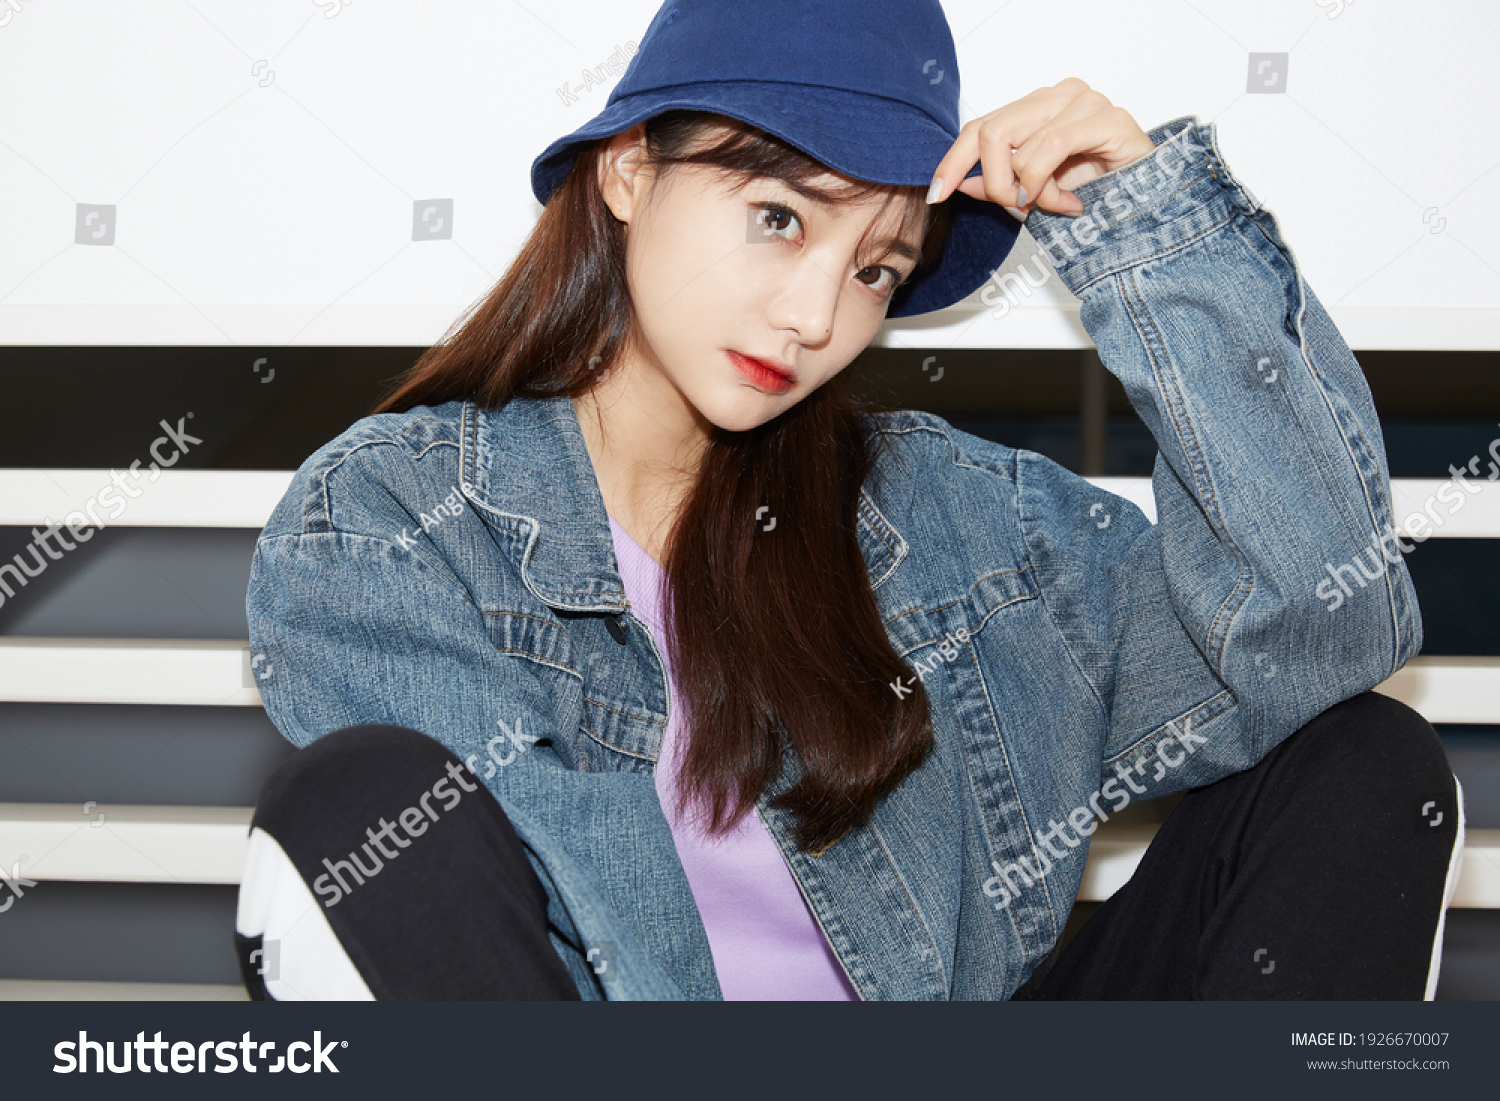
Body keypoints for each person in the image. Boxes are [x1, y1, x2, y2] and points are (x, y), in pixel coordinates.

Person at [233, 0, 1466, 1001]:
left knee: (1361, 761)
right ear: (626, 173)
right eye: (778, 219)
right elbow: (560, 931)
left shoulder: (966, 524)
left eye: (877, 267)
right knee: (360, 804)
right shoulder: (394, 520)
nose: (819, 318)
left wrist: (1146, 227)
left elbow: (1323, 629)